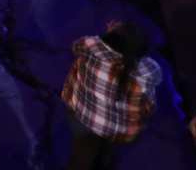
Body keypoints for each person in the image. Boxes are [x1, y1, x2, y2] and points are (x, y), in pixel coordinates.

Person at [61, 21, 162, 170]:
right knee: (107, 151)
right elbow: (149, 106)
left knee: (81, 156)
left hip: (81, 115)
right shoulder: (147, 73)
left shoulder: (91, 47)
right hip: (118, 130)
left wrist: (110, 32)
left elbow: (76, 47)